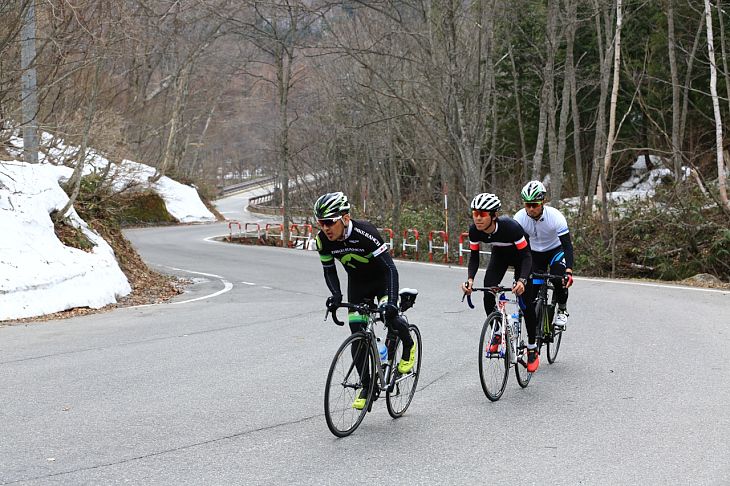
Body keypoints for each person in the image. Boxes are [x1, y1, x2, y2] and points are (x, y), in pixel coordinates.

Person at [314, 191, 415, 409]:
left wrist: (391, 302)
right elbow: (329, 270)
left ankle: (408, 344)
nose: (325, 228)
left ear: (345, 218)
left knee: (391, 318)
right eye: (321, 223)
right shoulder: (323, 240)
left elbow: (390, 268)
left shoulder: (366, 233)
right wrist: (336, 295)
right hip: (358, 284)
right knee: (357, 332)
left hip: (382, 281)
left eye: (330, 222)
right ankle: (367, 386)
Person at [461, 193, 540, 372]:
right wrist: (470, 280)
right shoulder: (474, 230)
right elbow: (473, 258)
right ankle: (497, 333)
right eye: (475, 213)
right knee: (489, 292)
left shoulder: (511, 228)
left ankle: (532, 348)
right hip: (500, 256)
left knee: (525, 301)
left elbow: (527, 256)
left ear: (494, 215)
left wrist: (521, 280)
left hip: (522, 258)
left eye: (483, 213)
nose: (478, 218)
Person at [514, 181, 574, 329]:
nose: (531, 208)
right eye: (528, 205)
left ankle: (562, 309)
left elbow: (567, 245)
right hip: (533, 254)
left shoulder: (555, 216)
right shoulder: (519, 218)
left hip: (555, 251)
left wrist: (569, 271)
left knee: (559, 277)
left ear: (543, 202)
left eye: (535, 204)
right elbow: (516, 247)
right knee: (532, 289)